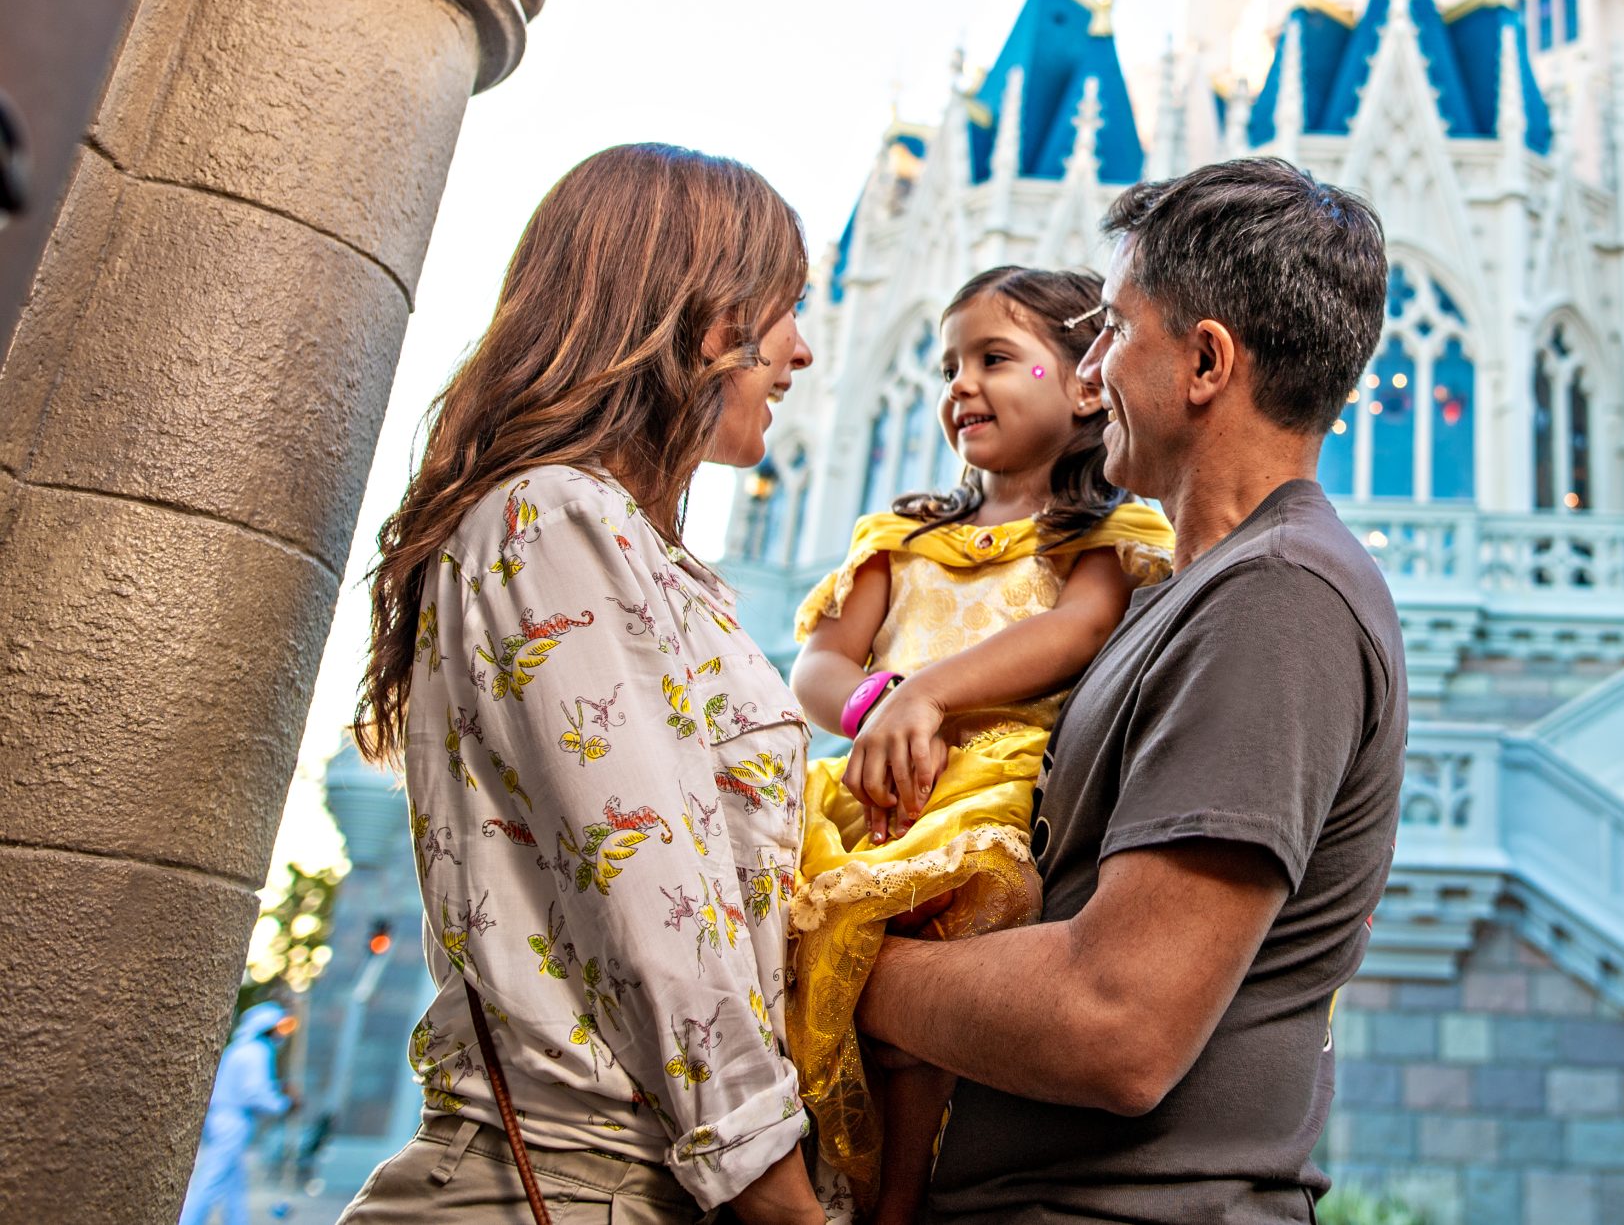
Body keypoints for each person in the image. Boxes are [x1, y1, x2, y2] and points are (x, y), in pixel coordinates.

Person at [859, 156, 1409, 1222]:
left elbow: (1116, 1025)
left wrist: (824, 959)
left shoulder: (1276, 601)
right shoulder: (1175, 596)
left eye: (1111, 329)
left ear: (1205, 361)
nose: (1089, 369)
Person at [336, 144, 824, 1225]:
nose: (799, 351)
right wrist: (787, 1204)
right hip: (570, 1182)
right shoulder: (551, 516)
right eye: (783, 308)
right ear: (703, 317)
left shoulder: (637, 552)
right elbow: (656, 903)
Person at [785, 265, 1174, 1225]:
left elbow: (1076, 632)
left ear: (1087, 383)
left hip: (989, 789)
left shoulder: (1102, 536)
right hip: (869, 791)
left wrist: (930, 694)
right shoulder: (903, 537)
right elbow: (818, 664)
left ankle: (900, 1197)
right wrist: (881, 704)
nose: (960, 383)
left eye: (995, 358)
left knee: (932, 971)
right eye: (949, 363)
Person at [178, 1002, 296, 1225]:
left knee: (233, 1185)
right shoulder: (256, 1051)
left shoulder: (240, 1049)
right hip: (233, 1121)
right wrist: (284, 1104)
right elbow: (254, 1093)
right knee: (212, 1180)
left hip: (225, 1117)